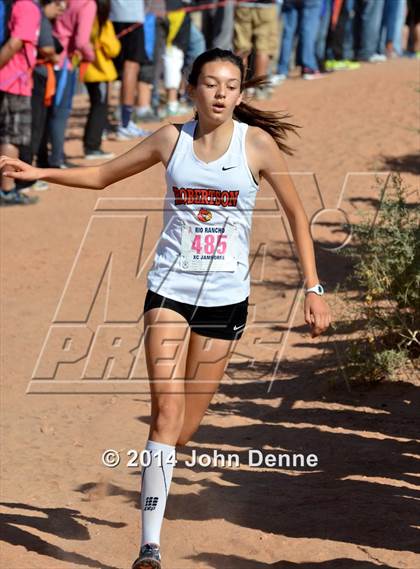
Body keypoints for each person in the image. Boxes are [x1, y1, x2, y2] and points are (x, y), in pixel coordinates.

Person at [0, 48, 332, 569]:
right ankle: (149, 548)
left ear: (241, 94)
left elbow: (296, 212)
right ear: (191, 89)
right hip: (170, 291)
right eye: (211, 83)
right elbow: (102, 176)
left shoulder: (257, 146)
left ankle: (156, 468)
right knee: (167, 413)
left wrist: (312, 289)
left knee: (184, 427)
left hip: (226, 299)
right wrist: (36, 171)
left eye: (231, 85)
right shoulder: (170, 140)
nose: (221, 93)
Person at [0, 0, 41, 206]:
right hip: (13, 81)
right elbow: (14, 43)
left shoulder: (16, 4)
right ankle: (7, 191)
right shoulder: (26, 6)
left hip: (12, 79)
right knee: (11, 137)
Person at [82, 0, 121, 159]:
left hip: (88, 71)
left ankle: (90, 144)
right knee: (99, 107)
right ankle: (92, 146)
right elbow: (113, 49)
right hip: (98, 72)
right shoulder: (103, 23)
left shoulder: (86, 18)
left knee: (96, 105)